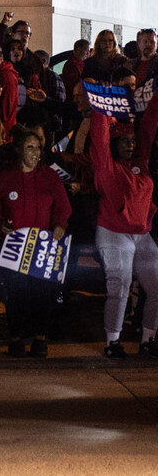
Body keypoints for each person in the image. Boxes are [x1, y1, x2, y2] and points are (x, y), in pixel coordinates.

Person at [0, 126, 71, 358]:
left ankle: (40, 339)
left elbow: (62, 206)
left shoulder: (50, 177)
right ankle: (16, 338)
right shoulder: (5, 177)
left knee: (42, 294)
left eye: (38, 148)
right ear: (18, 150)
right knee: (18, 294)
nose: (35, 152)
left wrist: (60, 224)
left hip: (42, 247)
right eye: (29, 147)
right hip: (16, 248)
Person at [88, 83, 158, 358]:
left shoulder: (139, 163)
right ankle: (112, 343)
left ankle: (148, 339)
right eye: (125, 141)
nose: (131, 144)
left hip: (141, 234)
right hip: (114, 232)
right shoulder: (107, 167)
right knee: (121, 286)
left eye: (132, 140)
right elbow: (99, 137)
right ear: (115, 144)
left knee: (156, 286)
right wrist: (102, 109)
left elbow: (149, 127)